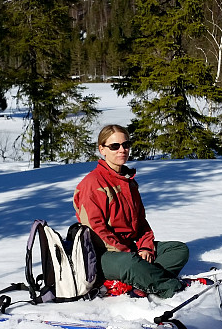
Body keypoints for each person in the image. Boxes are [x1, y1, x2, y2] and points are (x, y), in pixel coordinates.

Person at [73, 125, 190, 298]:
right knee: (132, 263)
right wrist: (129, 253)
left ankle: (141, 282)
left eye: (126, 145)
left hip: (130, 250)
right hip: (104, 256)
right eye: (115, 146)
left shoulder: (128, 182)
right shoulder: (93, 183)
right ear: (102, 149)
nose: (122, 150)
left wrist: (146, 248)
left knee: (178, 250)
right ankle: (172, 287)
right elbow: (96, 231)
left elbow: (141, 223)